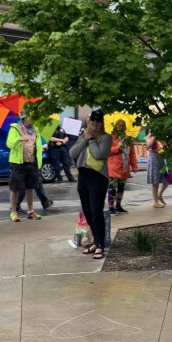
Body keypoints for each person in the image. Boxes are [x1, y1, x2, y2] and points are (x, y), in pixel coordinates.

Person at [70, 110, 112, 259]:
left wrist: (92, 139)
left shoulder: (106, 138)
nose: (94, 124)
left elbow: (99, 154)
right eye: (92, 121)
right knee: (87, 212)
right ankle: (96, 241)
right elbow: (72, 153)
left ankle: (100, 245)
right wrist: (85, 140)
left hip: (97, 177)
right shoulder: (83, 136)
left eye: (97, 121)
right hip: (83, 176)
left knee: (96, 211)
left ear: (102, 123)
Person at [7, 113, 44, 221]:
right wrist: (19, 139)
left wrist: (39, 160)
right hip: (18, 163)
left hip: (32, 162)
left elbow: (37, 145)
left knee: (30, 187)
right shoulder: (15, 128)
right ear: (24, 118)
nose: (33, 120)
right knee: (15, 188)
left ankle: (31, 211)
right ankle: (13, 212)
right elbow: (9, 144)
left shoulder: (36, 130)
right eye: (31, 118)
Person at [107, 119, 138, 215]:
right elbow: (106, 151)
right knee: (112, 187)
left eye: (122, 125)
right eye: (119, 125)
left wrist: (134, 165)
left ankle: (118, 205)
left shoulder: (128, 138)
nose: (120, 127)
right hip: (114, 166)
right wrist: (117, 148)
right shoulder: (111, 138)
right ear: (115, 126)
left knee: (121, 187)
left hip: (124, 167)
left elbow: (132, 153)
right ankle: (111, 207)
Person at [145, 130, 170, 208]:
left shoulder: (163, 136)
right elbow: (148, 146)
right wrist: (154, 137)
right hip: (154, 158)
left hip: (163, 157)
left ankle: (159, 195)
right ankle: (155, 202)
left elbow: (167, 146)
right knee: (155, 180)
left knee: (168, 178)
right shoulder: (150, 137)